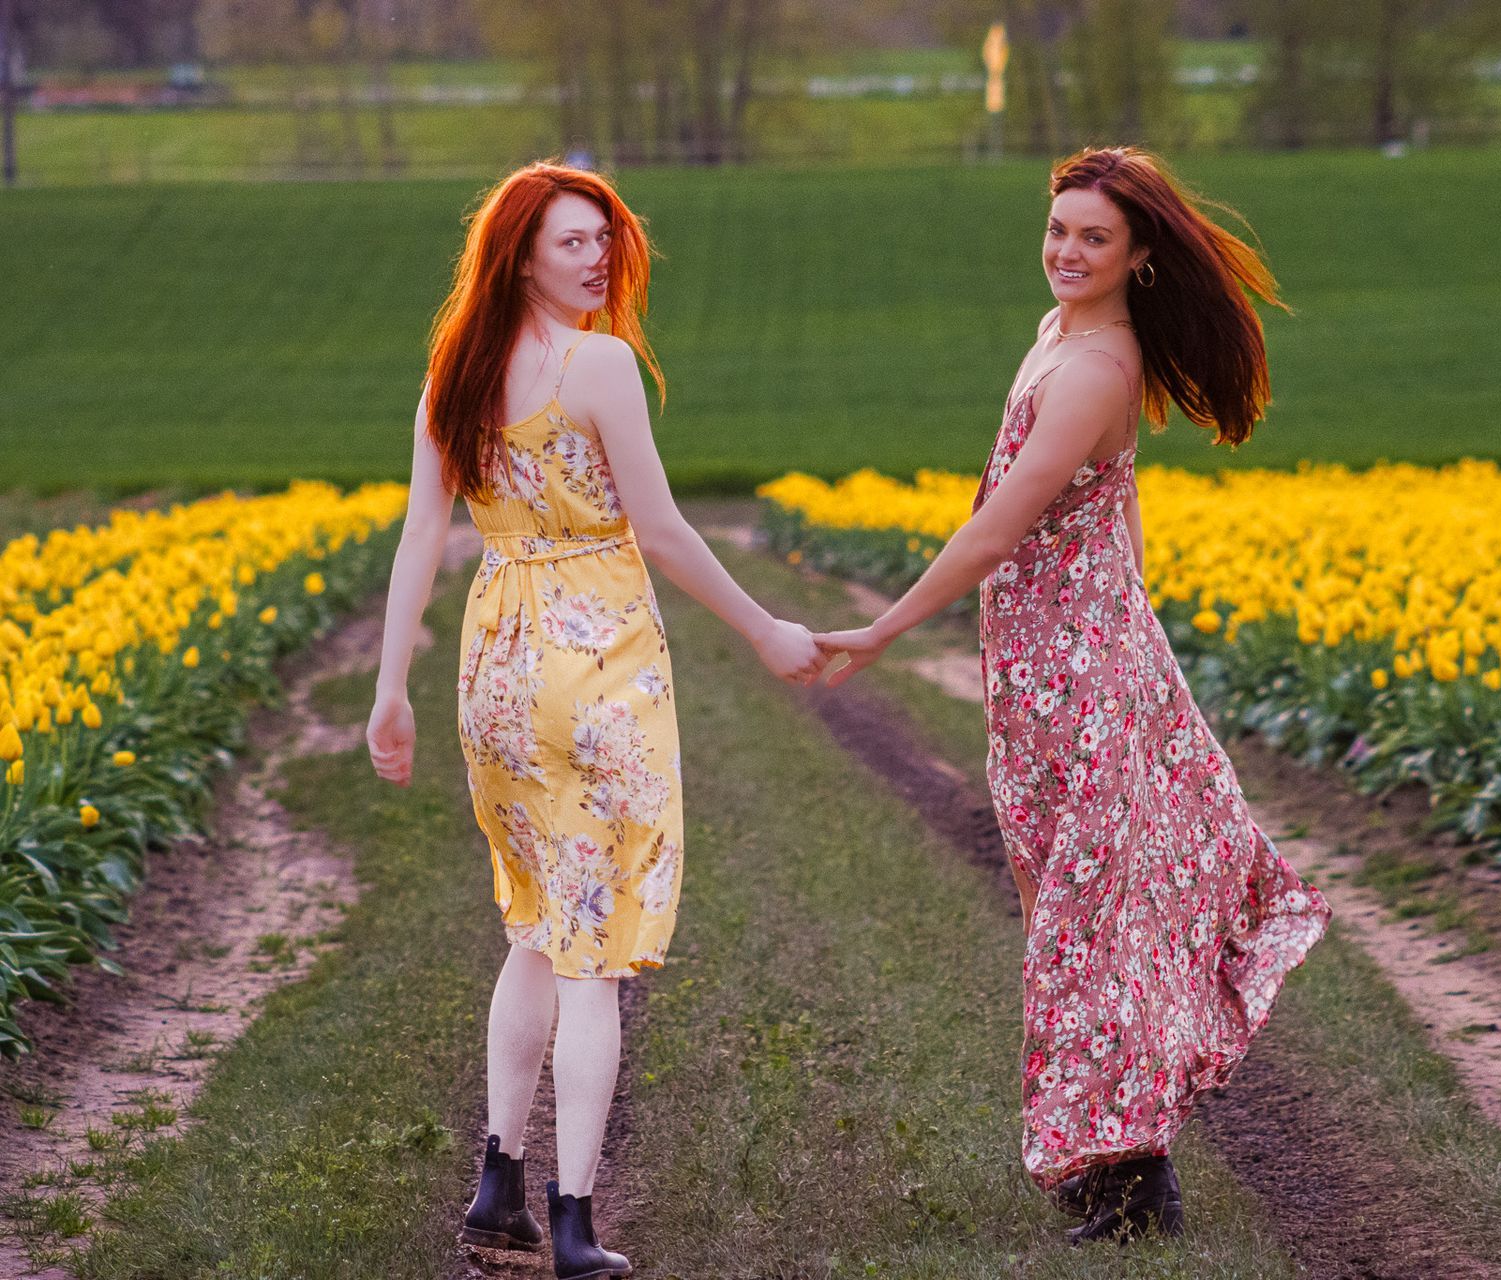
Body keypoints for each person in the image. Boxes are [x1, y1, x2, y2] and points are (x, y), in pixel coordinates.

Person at [817, 146, 1331, 1244]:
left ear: (1138, 255)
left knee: (1094, 920)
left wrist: (880, 630)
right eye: (1058, 230)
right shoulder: (1060, 336)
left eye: (1093, 238)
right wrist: (1121, 610)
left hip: (1081, 672)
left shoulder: (1100, 366)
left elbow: (998, 525)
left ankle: (1136, 1177)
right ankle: (1106, 1160)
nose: (1066, 251)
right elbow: (1119, 507)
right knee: (1068, 907)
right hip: (1047, 667)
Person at [365, 161, 826, 1279]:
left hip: (496, 664)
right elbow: (659, 528)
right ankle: (571, 1221)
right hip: (597, 658)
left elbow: (425, 536)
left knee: (535, 921)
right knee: (594, 951)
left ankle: (496, 1186)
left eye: (607, 239)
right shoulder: (598, 361)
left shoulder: (455, 376)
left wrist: (393, 686)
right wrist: (765, 627)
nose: (600, 257)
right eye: (575, 241)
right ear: (520, 253)